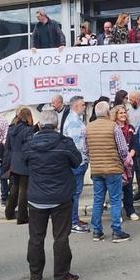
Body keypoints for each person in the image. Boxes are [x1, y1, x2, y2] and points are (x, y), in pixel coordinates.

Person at [24, 110, 83, 280]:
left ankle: (35, 277)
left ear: (40, 125)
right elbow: (77, 161)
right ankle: (62, 277)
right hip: (60, 197)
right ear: (57, 125)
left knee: (35, 238)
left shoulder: (29, 143)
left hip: (36, 197)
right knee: (61, 237)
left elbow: (24, 162)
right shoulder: (65, 143)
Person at [85, 101, 131, 243]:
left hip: (97, 170)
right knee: (116, 200)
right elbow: (123, 149)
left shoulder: (88, 127)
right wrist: (126, 162)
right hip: (113, 168)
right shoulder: (114, 127)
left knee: (98, 200)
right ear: (107, 112)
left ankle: (97, 232)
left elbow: (85, 150)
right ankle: (117, 231)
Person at [61, 96, 89, 233]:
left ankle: (74, 218)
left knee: (75, 193)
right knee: (75, 193)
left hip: (79, 162)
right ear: (76, 106)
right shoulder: (73, 122)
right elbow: (76, 145)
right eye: (83, 105)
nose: (85, 107)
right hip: (77, 163)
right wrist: (83, 159)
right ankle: (73, 222)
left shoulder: (77, 120)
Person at [4, 108, 36, 224]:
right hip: (24, 161)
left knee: (14, 188)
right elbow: (30, 146)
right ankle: (22, 217)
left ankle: (9, 212)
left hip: (14, 161)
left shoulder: (12, 128)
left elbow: (8, 146)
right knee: (24, 190)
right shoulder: (28, 130)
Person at [111, 105, 139, 221]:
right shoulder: (113, 128)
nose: (123, 115)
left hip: (129, 162)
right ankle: (118, 214)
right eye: (120, 113)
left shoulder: (130, 127)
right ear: (115, 115)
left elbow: (135, 144)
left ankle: (130, 211)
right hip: (116, 162)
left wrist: (129, 156)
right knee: (117, 188)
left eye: (124, 113)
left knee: (128, 187)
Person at [126, 91, 140, 200]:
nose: (130, 101)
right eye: (129, 99)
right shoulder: (128, 109)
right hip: (131, 143)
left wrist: (136, 131)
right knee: (132, 167)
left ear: (138, 99)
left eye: (132, 99)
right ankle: (135, 190)